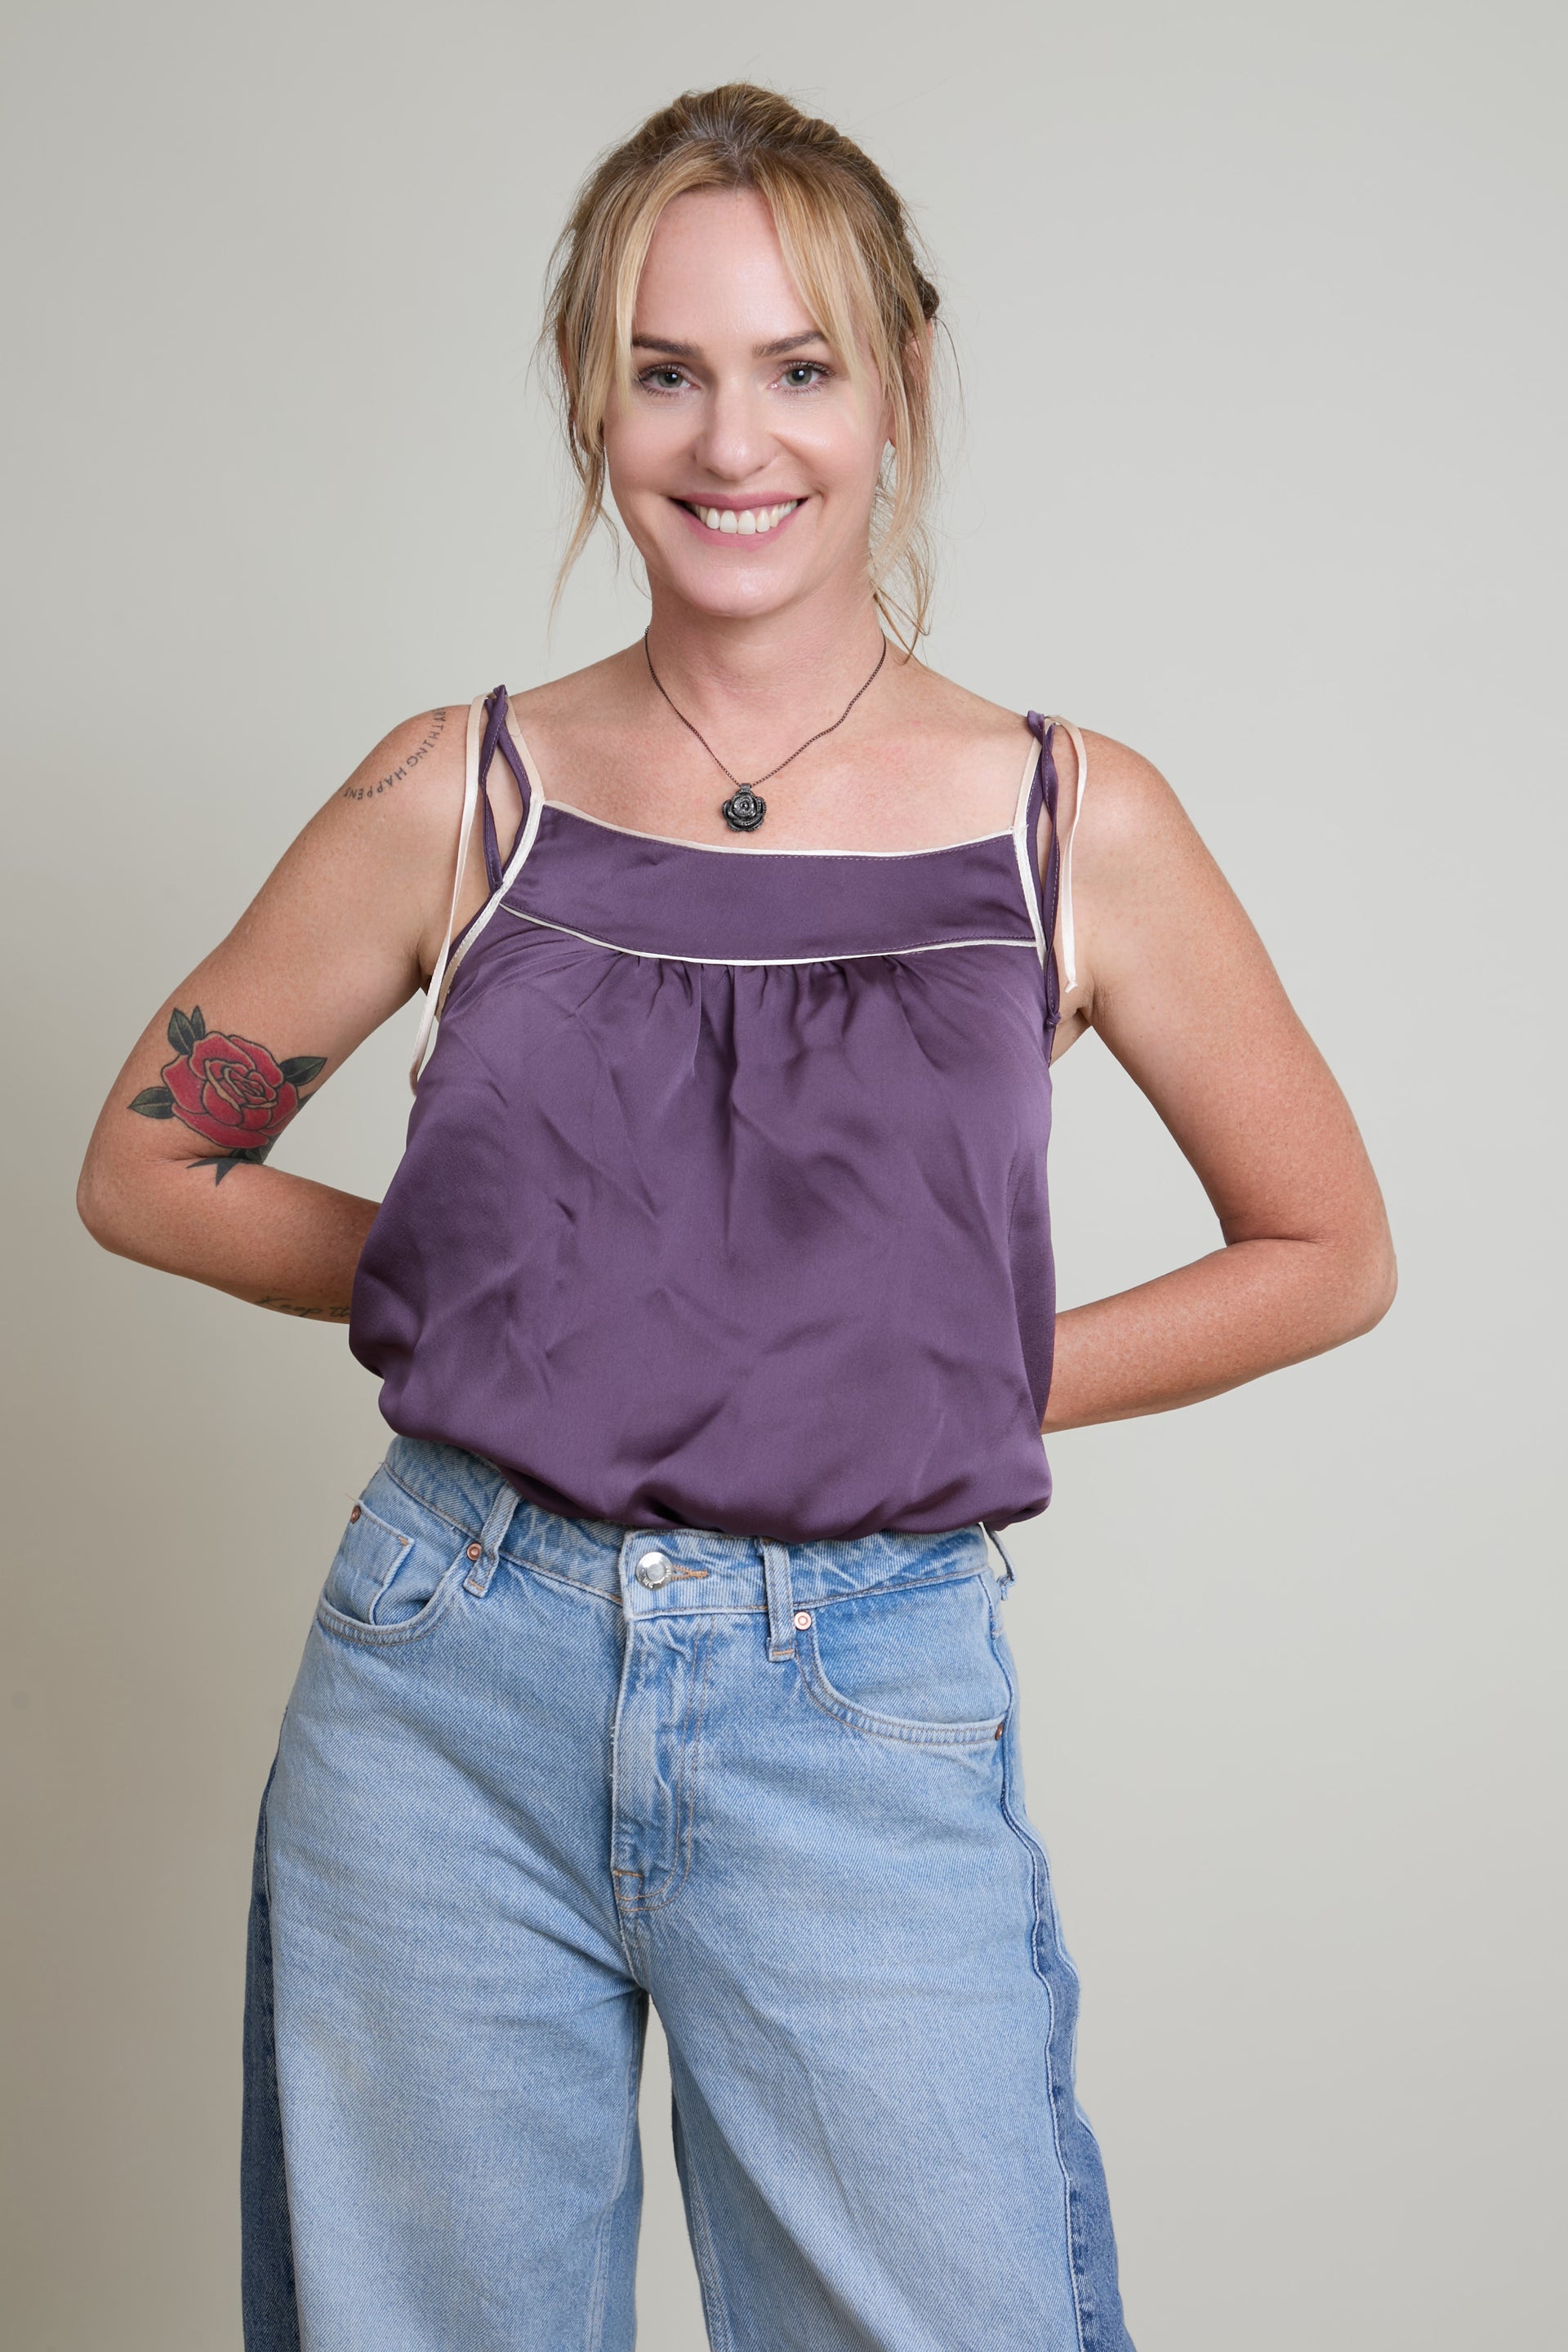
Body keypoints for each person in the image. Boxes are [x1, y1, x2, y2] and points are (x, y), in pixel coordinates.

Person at [76, 79, 1395, 2352]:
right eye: (664, 370)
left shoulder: (1070, 820)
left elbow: (1327, 1251)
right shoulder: (454, 790)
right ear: (595, 395)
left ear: (898, 382)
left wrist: (952, 1366)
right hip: (446, 1687)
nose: (730, 439)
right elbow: (145, 1164)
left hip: (858, 1691)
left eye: (799, 366)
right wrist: (475, 1291)